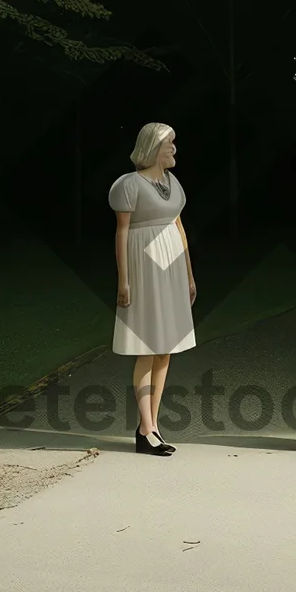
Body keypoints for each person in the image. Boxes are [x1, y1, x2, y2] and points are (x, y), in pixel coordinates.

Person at [108, 122, 197, 457]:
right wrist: (124, 280)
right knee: (148, 345)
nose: (174, 149)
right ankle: (146, 430)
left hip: (171, 264)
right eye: (169, 143)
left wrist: (188, 274)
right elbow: (122, 232)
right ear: (153, 147)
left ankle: (151, 426)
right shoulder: (128, 185)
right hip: (144, 264)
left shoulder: (172, 183)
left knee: (165, 348)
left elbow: (178, 225)